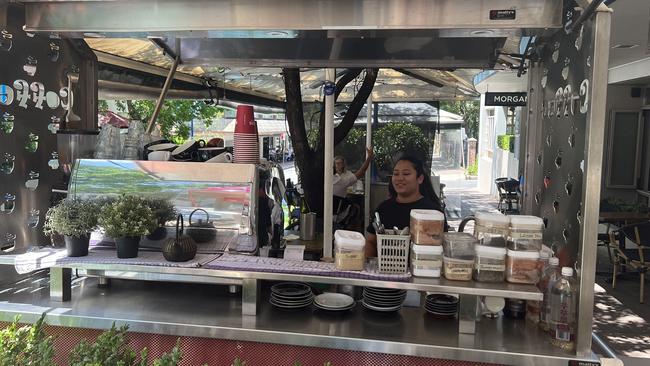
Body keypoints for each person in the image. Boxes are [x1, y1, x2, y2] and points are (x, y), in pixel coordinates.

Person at [365, 155, 447, 257]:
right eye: (396, 174)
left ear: (420, 178)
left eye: (406, 173)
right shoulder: (384, 208)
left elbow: (443, 246)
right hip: (386, 270)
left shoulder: (433, 212)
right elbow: (371, 242)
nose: (400, 178)